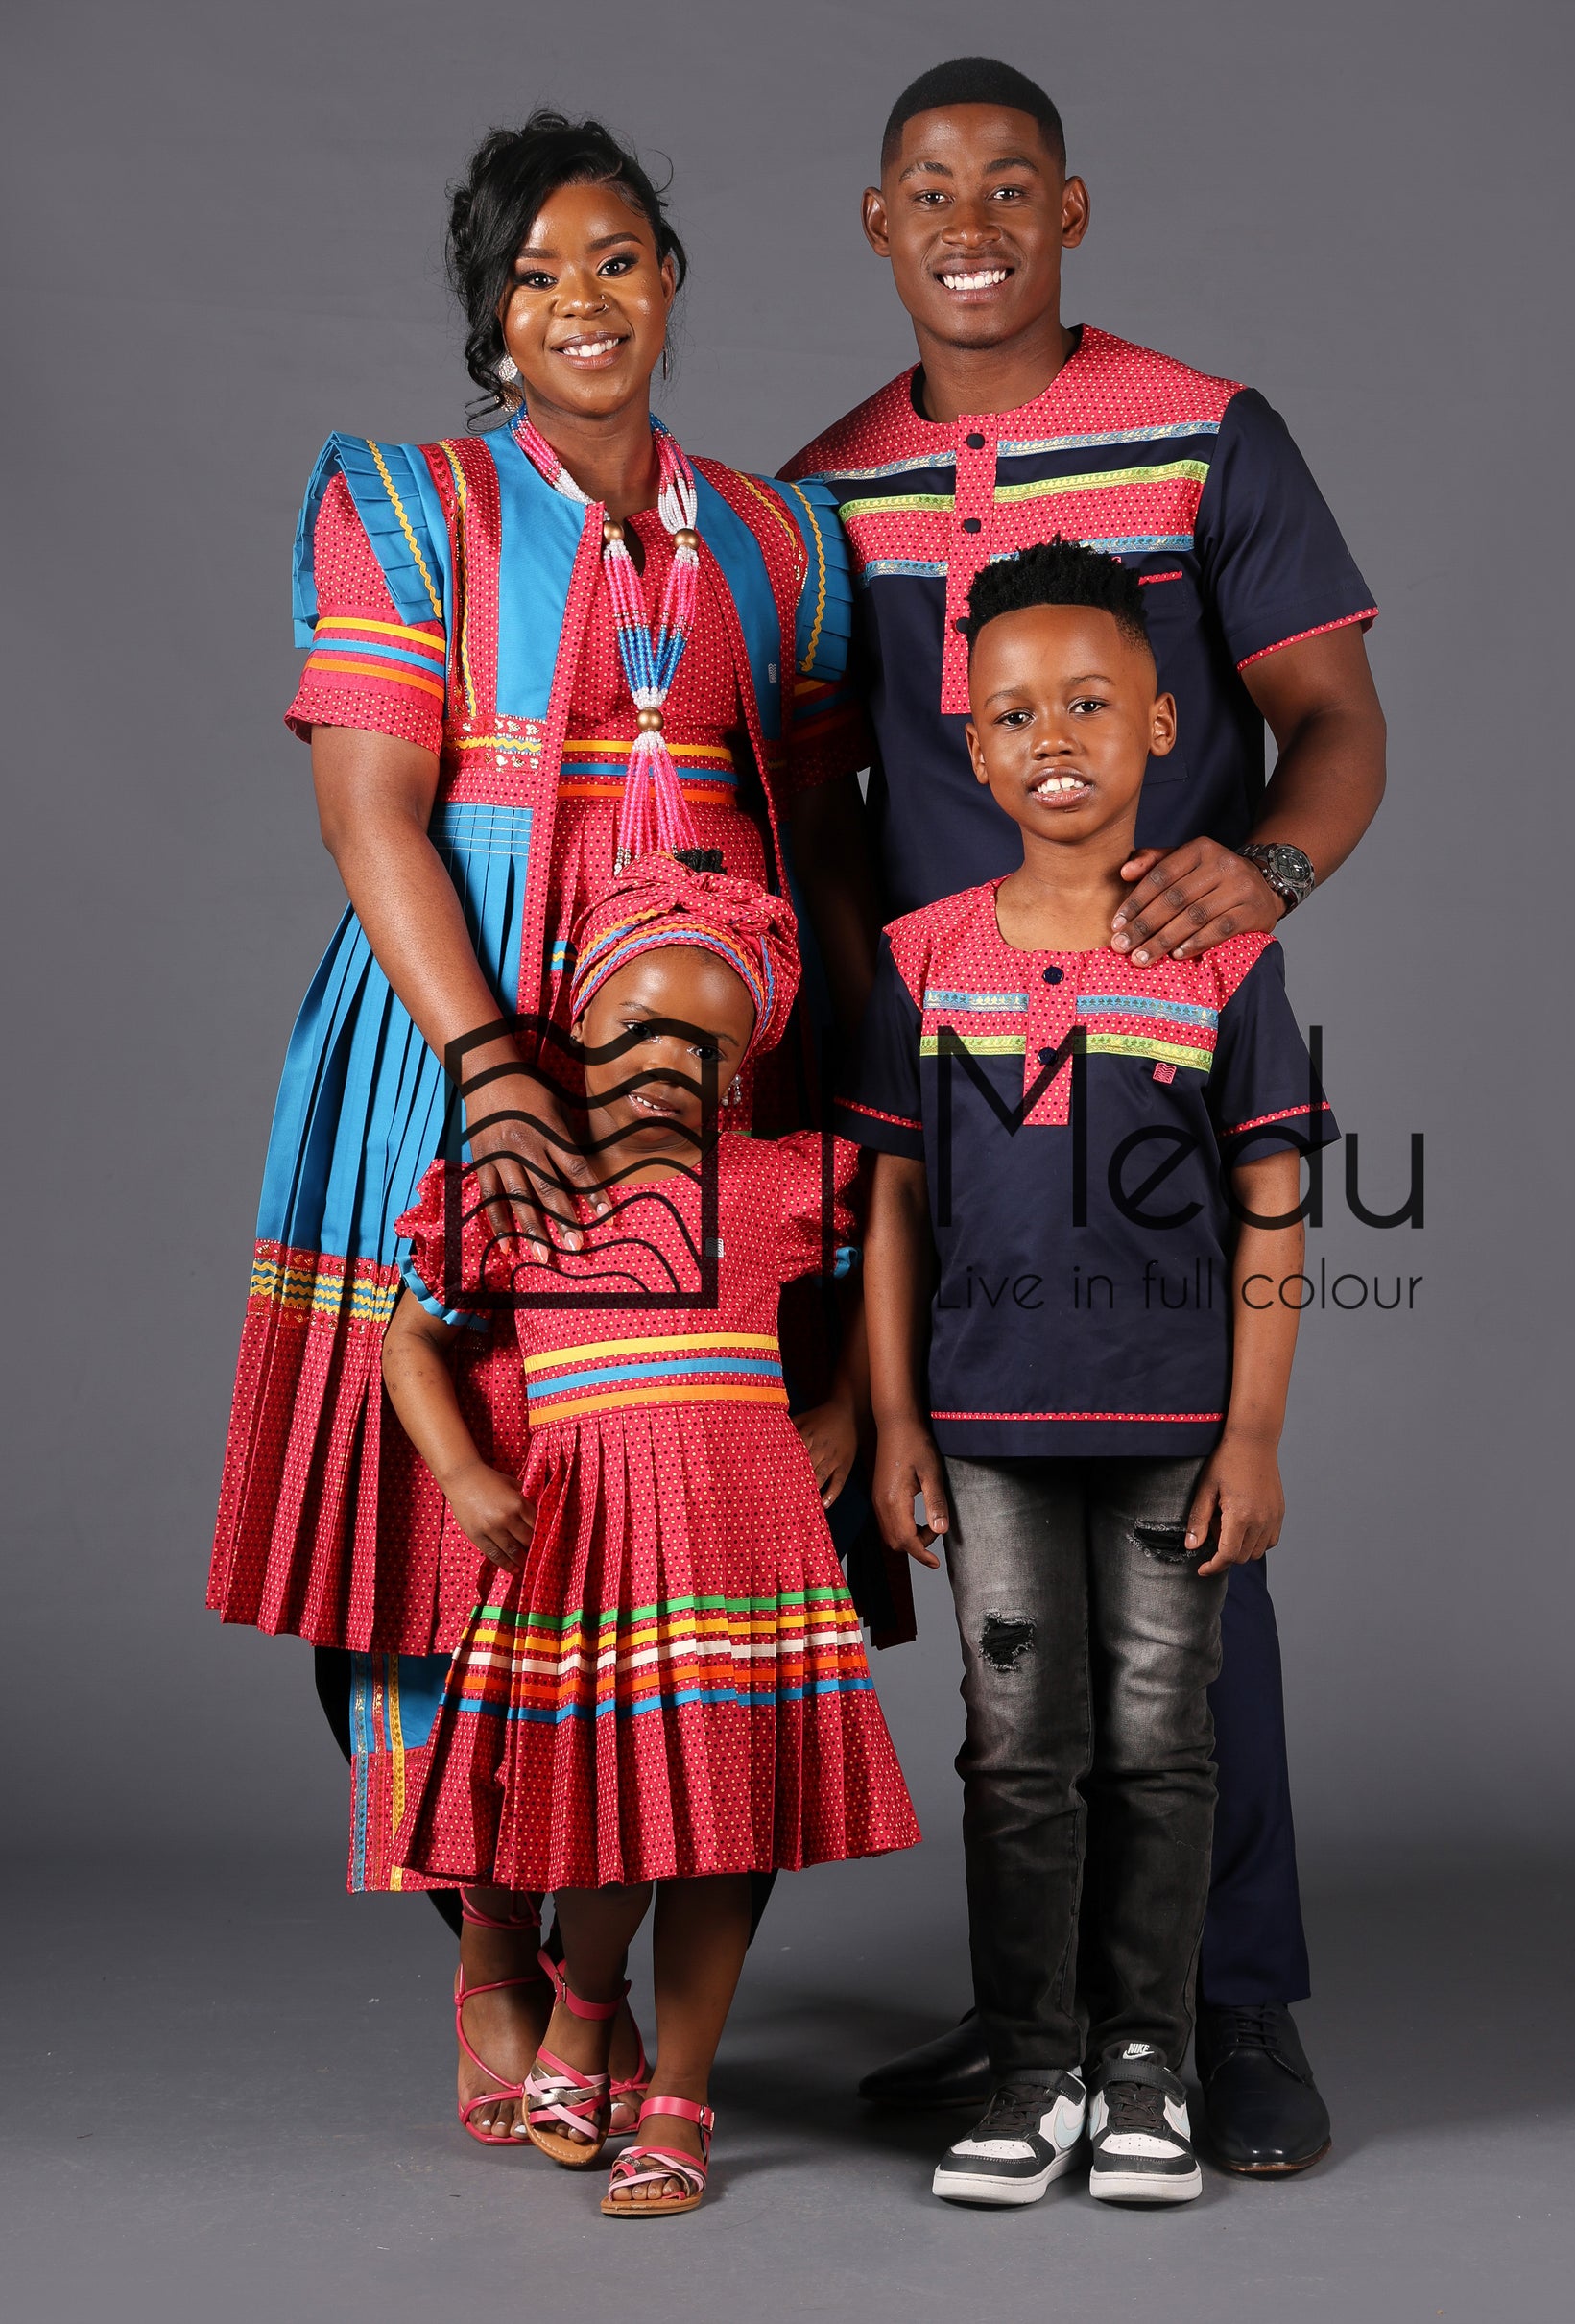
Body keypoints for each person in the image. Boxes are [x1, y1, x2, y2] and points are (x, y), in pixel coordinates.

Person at [206, 111, 880, 2145]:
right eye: (532, 276)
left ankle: (615, 1995)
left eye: (613, 260)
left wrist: (846, 1086)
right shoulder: (406, 507)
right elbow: (369, 812)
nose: (579, 302)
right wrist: (488, 1058)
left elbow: (825, 843)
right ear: (489, 321)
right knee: (452, 1511)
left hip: (706, 1059)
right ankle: (493, 1954)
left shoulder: (782, 542)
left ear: (669, 279)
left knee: (678, 1504)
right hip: (460, 1031)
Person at [782, 57, 1384, 2171]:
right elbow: (816, 799)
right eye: (931, 191)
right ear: (879, 224)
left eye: (1011, 185)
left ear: (1070, 210)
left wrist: (1263, 876)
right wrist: (858, 1021)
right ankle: (1042, 2014)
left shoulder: (1207, 431)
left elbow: (1333, 721)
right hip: (939, 1070)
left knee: (1191, 1539)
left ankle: (1232, 2003)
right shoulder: (825, 490)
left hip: (1148, 1054)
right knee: (992, 1565)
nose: (972, 224)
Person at [843, 539, 1333, 2206]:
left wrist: (1251, 1431)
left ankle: (1147, 2066)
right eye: (1011, 714)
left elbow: (1273, 1199)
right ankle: (1028, 2066)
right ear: (972, 751)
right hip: (982, 1429)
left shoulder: (1225, 960)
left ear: (1159, 725)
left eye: (1087, 703)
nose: (1050, 736)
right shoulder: (924, 956)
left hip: (1169, 1430)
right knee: (1012, 1742)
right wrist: (895, 1414)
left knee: (1159, 1739)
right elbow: (892, 1200)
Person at [383, 855, 919, 2215]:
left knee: (724, 1817)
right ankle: (583, 1998)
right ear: (577, 1022)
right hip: (593, 1547)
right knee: (608, 1802)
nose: (668, 1066)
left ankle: (680, 2095)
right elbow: (410, 1344)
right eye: (638, 1029)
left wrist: (850, 1405)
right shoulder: (512, 1183)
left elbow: (901, 1235)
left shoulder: (776, 1181)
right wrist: (461, 1470)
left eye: (707, 1046)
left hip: (746, 1542)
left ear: (744, 1067)